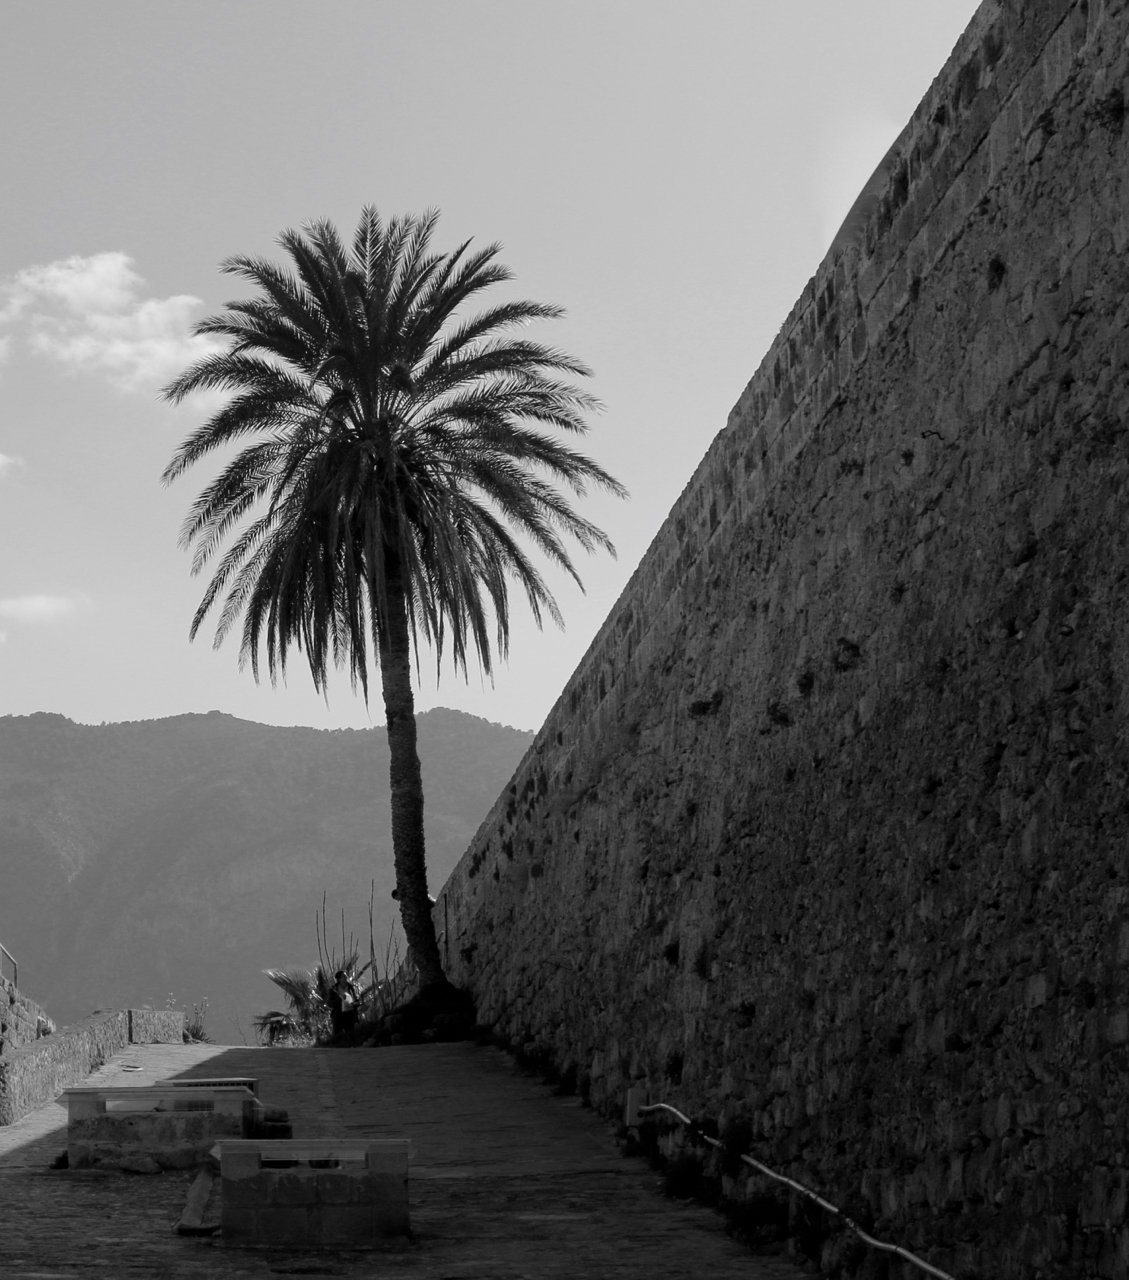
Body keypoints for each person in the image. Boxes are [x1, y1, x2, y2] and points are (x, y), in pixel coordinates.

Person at [328, 969, 358, 1039]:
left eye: (346, 976)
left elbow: (355, 1000)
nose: (346, 977)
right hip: (339, 1015)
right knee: (337, 1035)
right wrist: (338, 1000)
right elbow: (330, 1003)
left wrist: (354, 1004)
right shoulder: (333, 989)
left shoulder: (350, 988)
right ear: (339, 979)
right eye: (343, 976)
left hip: (349, 1015)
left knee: (351, 1034)